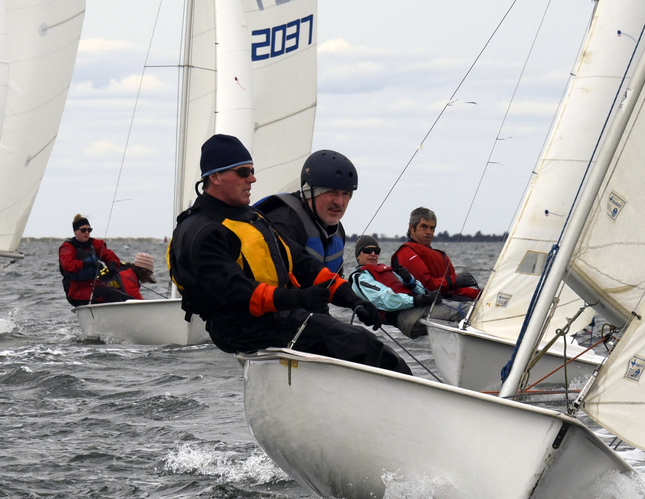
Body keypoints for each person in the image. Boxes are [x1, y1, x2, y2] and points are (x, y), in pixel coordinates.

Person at [169, 134, 409, 375]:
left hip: (274, 318)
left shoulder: (251, 218)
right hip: (240, 328)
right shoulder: (201, 231)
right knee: (361, 345)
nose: (252, 179)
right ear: (215, 176)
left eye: (252, 171)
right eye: (243, 172)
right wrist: (301, 299)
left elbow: (301, 264)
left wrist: (352, 299)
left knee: (362, 341)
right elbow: (236, 292)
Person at [256, 149, 357, 275]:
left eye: (346, 194)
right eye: (331, 192)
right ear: (309, 191)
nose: (340, 202)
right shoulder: (283, 223)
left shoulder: (335, 230)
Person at [346, 236, 444, 338]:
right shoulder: (361, 278)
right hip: (405, 317)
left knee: (455, 306)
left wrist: (410, 281)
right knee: (457, 313)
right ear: (358, 256)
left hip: (417, 308)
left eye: (376, 251)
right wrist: (417, 300)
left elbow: (422, 292)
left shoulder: (387, 271)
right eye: (368, 251)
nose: (373, 254)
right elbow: (385, 299)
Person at [392, 207, 481, 308]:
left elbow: (456, 290)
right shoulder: (406, 252)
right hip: (424, 305)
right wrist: (454, 281)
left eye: (432, 228)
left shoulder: (441, 255)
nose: (429, 232)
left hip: (447, 300)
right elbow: (425, 287)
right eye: (424, 227)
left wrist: (482, 294)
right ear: (412, 228)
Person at [59, 215, 155, 306]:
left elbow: (109, 255)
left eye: (89, 230)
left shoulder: (94, 244)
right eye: (83, 230)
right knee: (108, 293)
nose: (87, 232)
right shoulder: (67, 247)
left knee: (125, 298)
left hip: (93, 285)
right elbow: (68, 265)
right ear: (75, 231)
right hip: (75, 291)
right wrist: (87, 263)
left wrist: (113, 264)